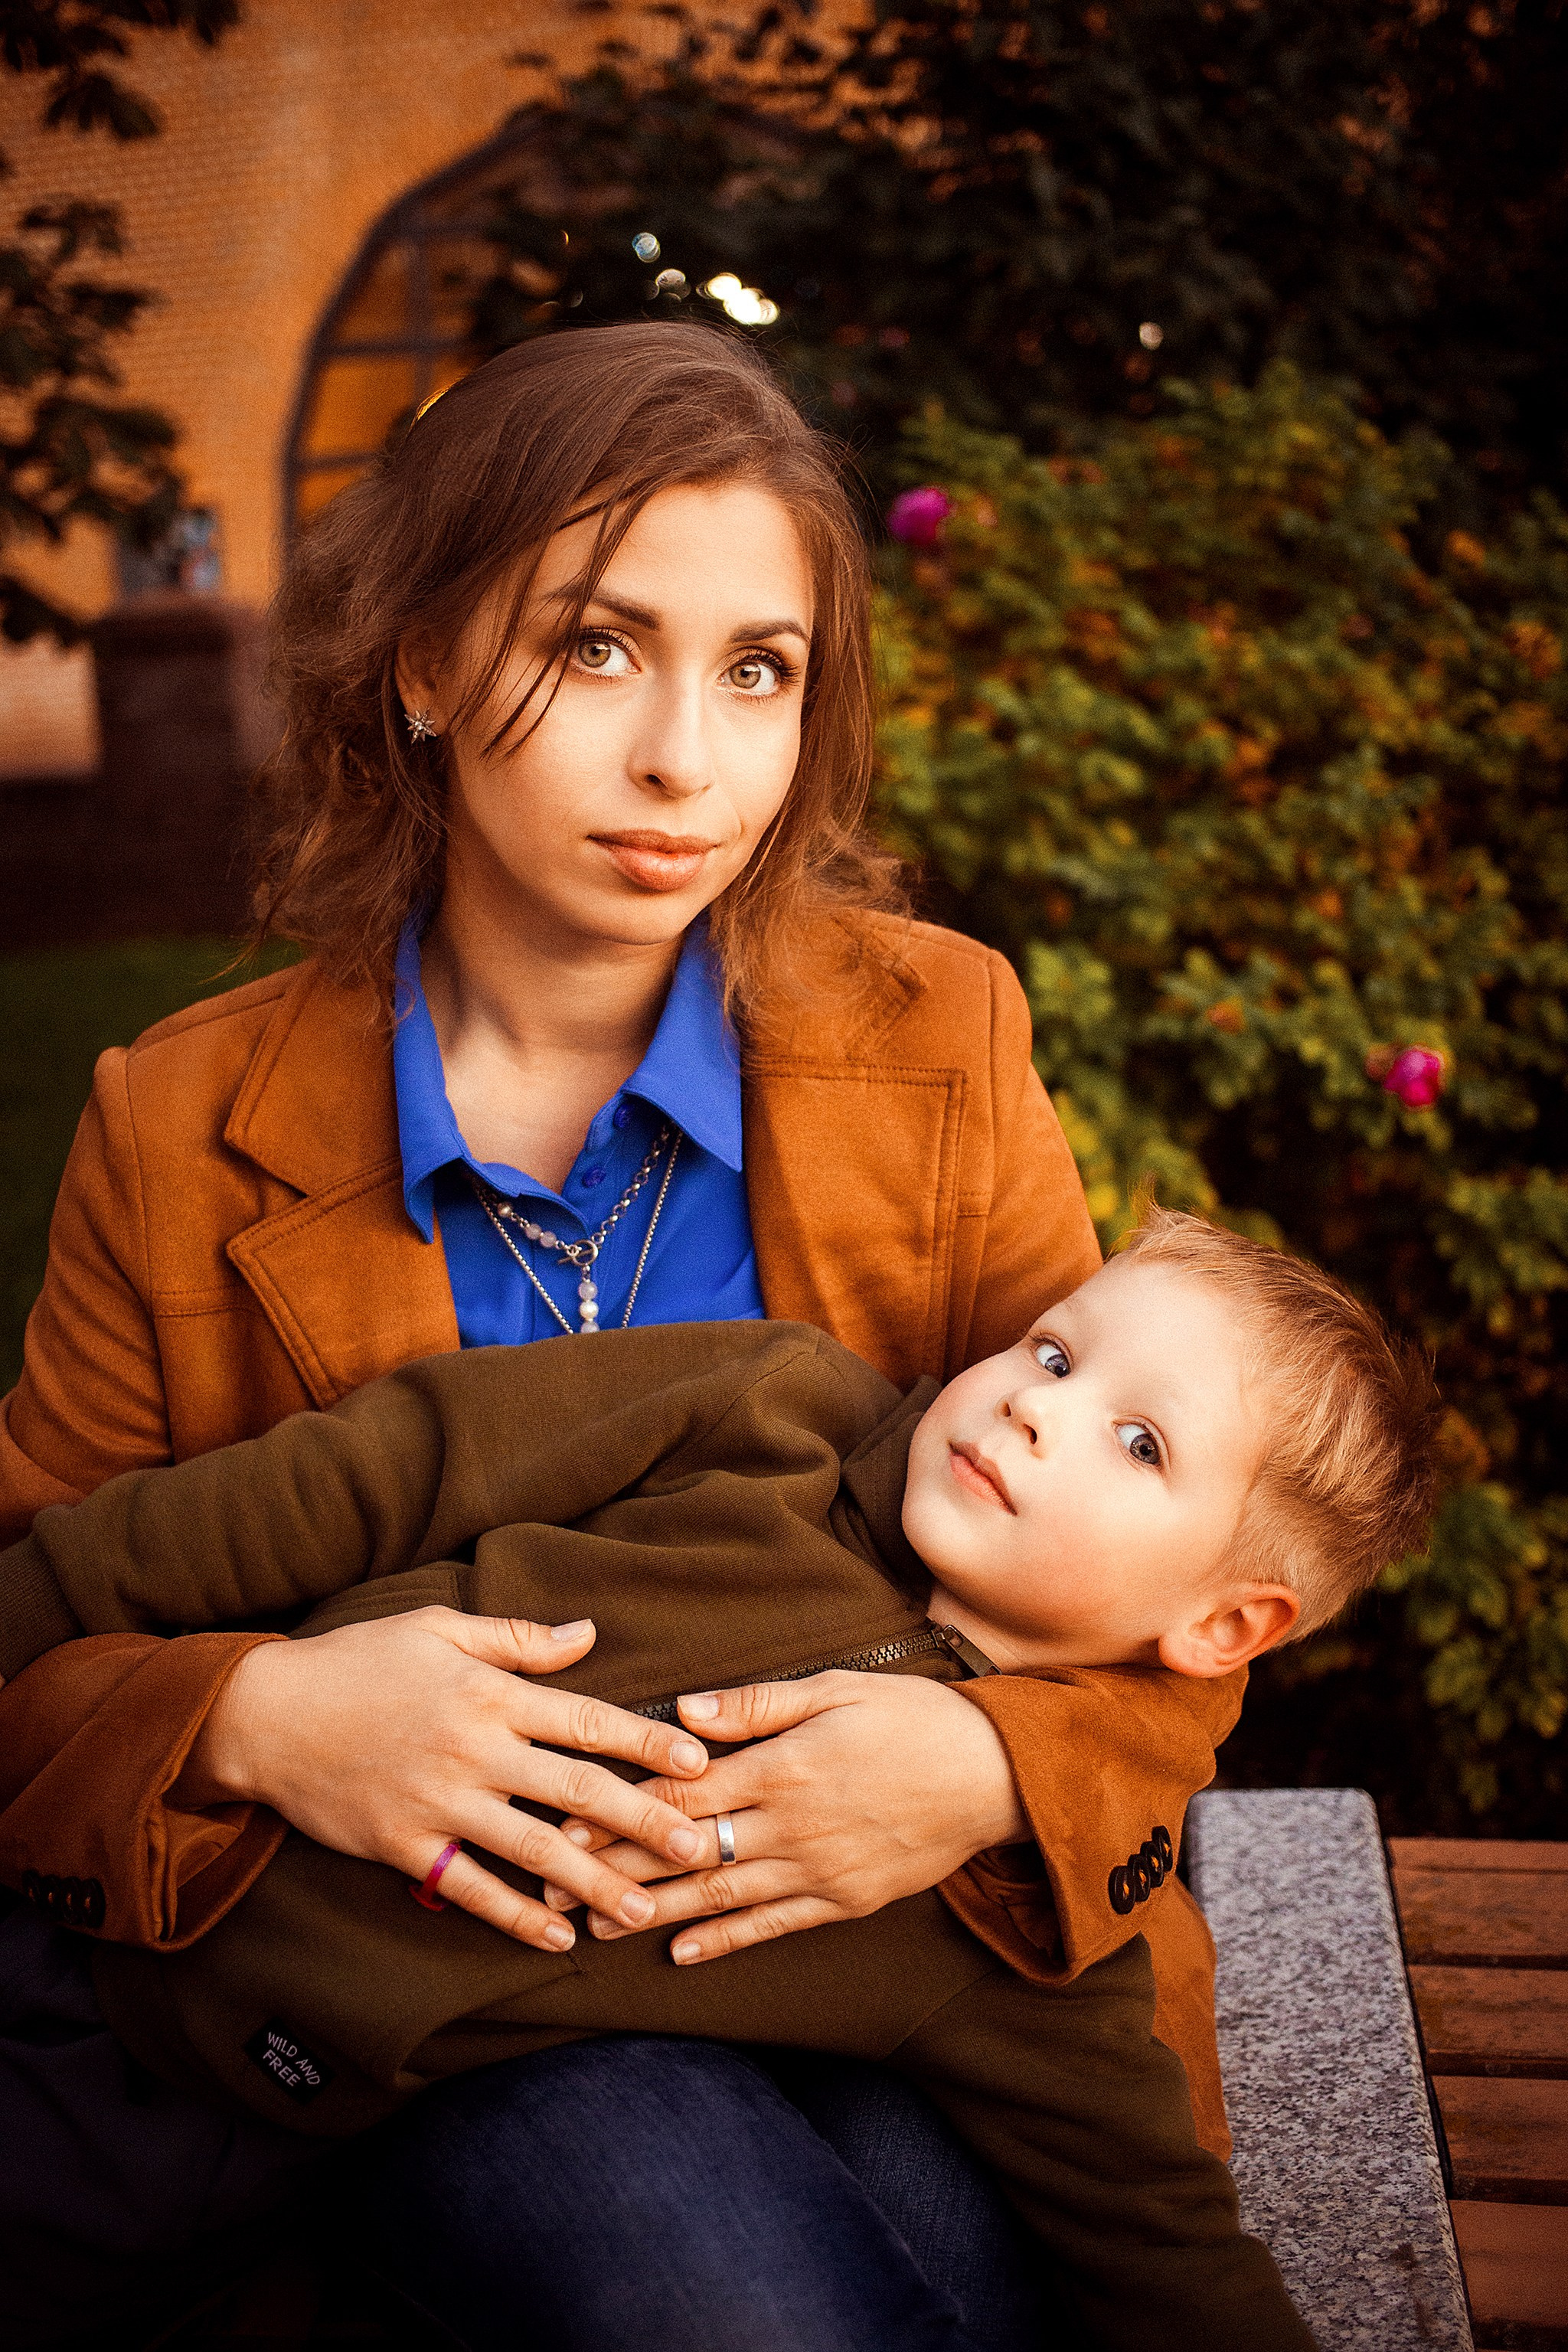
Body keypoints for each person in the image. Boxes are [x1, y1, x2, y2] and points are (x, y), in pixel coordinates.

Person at [0, 322, 1242, 2351]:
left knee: (1001, 2260)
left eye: (758, 668)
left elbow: (1169, 1573)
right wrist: (256, 1721)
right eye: (596, 645)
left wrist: (983, 1754)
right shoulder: (176, 1124)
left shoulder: (943, 1042)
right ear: (416, 663)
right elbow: (26, 1648)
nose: (688, 757)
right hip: (438, 2016)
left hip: (900, 1959)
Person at [0, 1212, 1439, 2349]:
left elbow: (1159, 2237)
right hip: (115, 1902)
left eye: (1141, 1444)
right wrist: (43, 1607)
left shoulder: (1004, 1920)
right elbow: (373, 1473)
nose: (1036, 1413)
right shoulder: (773, 1409)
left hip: (270, 2129)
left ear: (1225, 1628)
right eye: (1055, 1356)